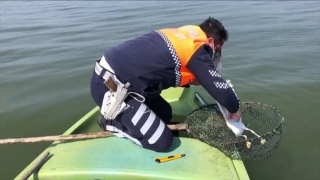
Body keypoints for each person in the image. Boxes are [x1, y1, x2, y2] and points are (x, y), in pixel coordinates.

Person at [90, 17, 241, 152]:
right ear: (210, 42)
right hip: (111, 88)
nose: (216, 54)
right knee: (162, 141)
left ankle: (131, 118)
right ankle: (110, 121)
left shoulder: (184, 35)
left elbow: (169, 70)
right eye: (218, 49)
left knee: (164, 113)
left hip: (124, 81)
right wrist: (235, 109)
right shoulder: (197, 48)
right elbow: (221, 91)